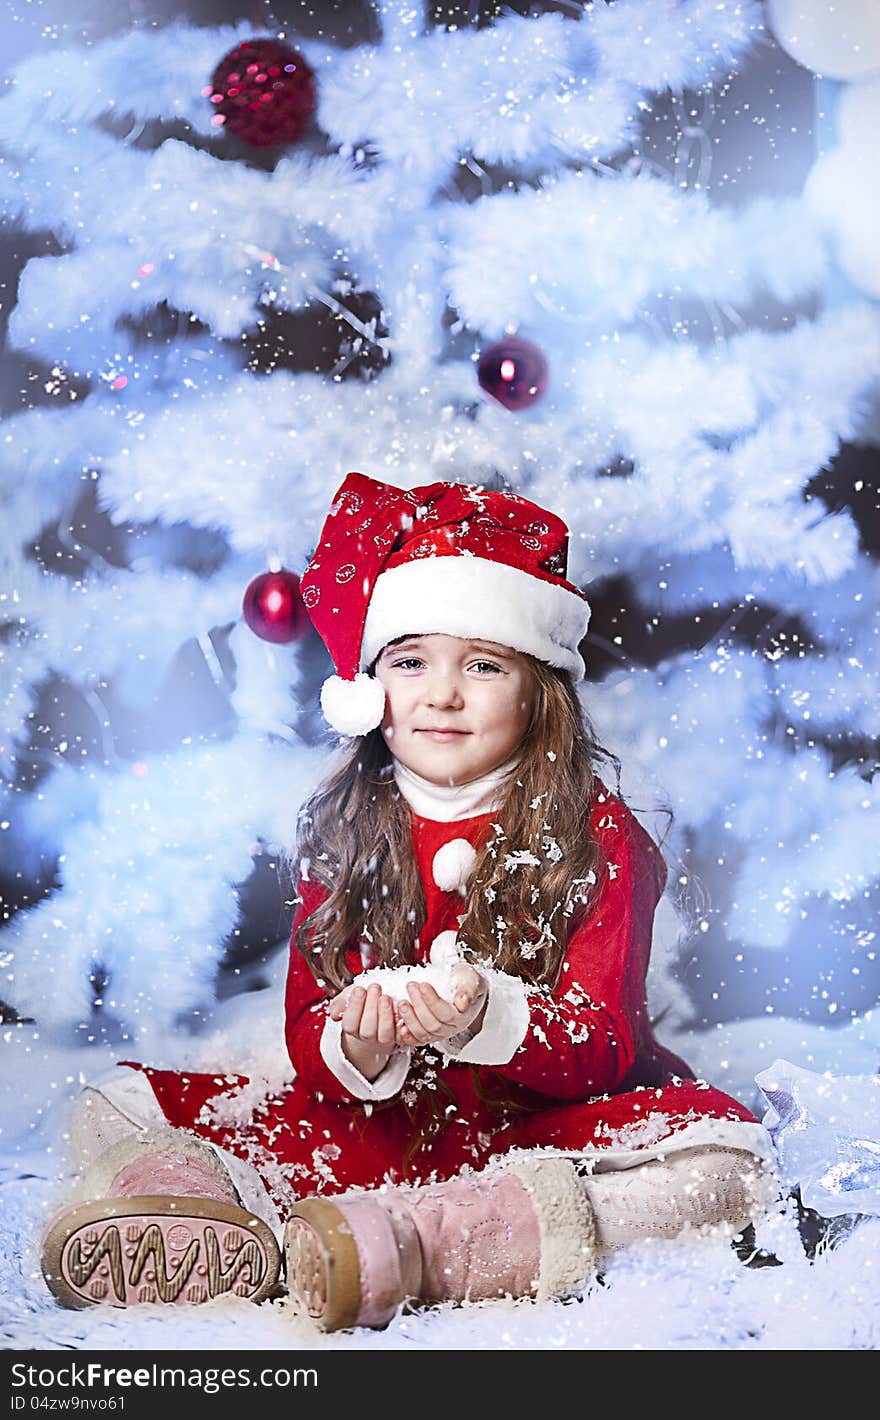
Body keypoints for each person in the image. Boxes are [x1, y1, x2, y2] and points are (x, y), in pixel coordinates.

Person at [41, 472, 780, 1327]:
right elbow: (308, 1023)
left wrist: (485, 1019)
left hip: (540, 1130)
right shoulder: (351, 825)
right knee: (117, 1104)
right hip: (382, 1126)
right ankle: (194, 1216)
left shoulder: (599, 836)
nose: (442, 693)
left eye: (484, 664)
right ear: (372, 685)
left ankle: (425, 1244)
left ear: (539, 692)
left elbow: (603, 1043)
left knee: (726, 1163)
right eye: (410, 661)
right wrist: (356, 1038)